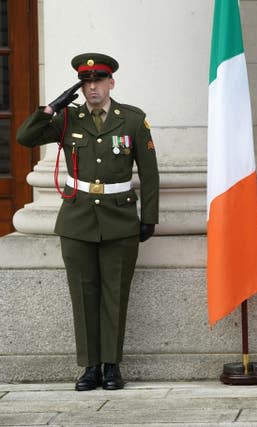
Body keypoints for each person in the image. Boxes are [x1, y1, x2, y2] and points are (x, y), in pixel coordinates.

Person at [17, 53, 159, 391]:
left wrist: (149, 217)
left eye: (98, 80)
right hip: (78, 219)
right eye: (86, 82)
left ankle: (111, 366)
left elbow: (150, 174)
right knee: (83, 295)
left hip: (120, 218)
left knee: (115, 293)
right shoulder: (68, 119)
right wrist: (50, 108)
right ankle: (90, 367)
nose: (92, 87)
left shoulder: (132, 120)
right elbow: (25, 137)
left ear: (111, 83)